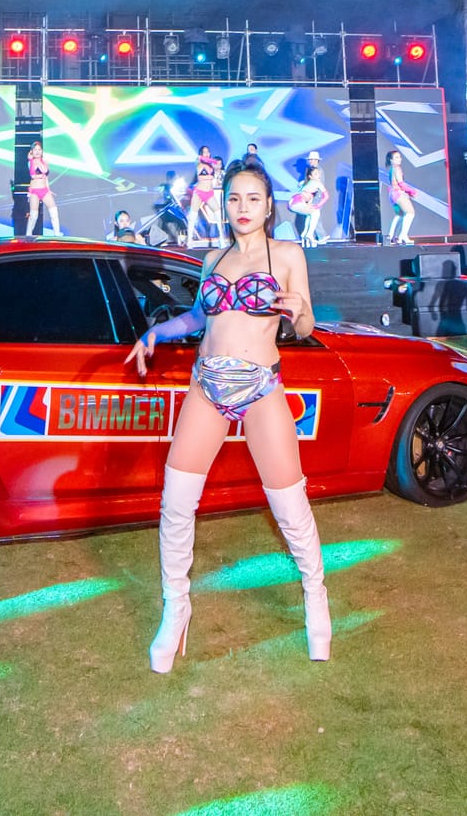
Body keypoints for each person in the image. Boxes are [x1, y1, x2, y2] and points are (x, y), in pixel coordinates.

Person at [126, 158, 326, 670]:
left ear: (269, 206)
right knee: (176, 502)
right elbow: (199, 316)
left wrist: (297, 312)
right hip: (207, 385)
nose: (242, 207)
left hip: (260, 387)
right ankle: (176, 609)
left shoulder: (287, 253)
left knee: (289, 505)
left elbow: (305, 325)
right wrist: (155, 333)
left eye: (253, 199)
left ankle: (315, 597)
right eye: (234, 198)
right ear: (224, 203)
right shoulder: (213, 258)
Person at [288, 160, 329, 247]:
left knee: (310, 214)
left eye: (319, 174)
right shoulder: (317, 183)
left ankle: (305, 234)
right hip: (298, 201)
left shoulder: (306, 183)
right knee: (316, 212)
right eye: (316, 174)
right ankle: (309, 234)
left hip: (293, 201)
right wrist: (318, 205)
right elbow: (326, 196)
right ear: (310, 176)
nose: (318, 176)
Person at [189, 146, 223, 248]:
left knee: (218, 212)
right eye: (205, 152)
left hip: (209, 193)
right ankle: (189, 241)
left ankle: (221, 239)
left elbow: (218, 167)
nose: (207, 154)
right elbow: (199, 158)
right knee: (193, 216)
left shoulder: (211, 165)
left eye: (208, 152)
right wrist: (212, 160)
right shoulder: (199, 162)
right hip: (199, 192)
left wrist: (214, 163)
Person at [25, 140, 61, 236]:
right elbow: (32, 175)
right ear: (32, 151)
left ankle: (57, 234)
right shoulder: (31, 162)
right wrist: (30, 159)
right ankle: (28, 235)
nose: (37, 152)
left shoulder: (45, 162)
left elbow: (46, 177)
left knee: (54, 211)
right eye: (35, 149)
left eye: (39, 149)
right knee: (34, 215)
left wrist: (49, 189)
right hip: (34, 191)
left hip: (44, 190)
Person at [383, 148, 417, 245]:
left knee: (400, 215)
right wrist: (412, 191)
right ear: (391, 160)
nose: (399, 159)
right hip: (398, 193)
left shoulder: (391, 169)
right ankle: (403, 236)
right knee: (410, 213)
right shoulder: (397, 169)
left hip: (392, 194)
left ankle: (390, 236)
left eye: (400, 157)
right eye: (396, 157)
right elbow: (401, 183)